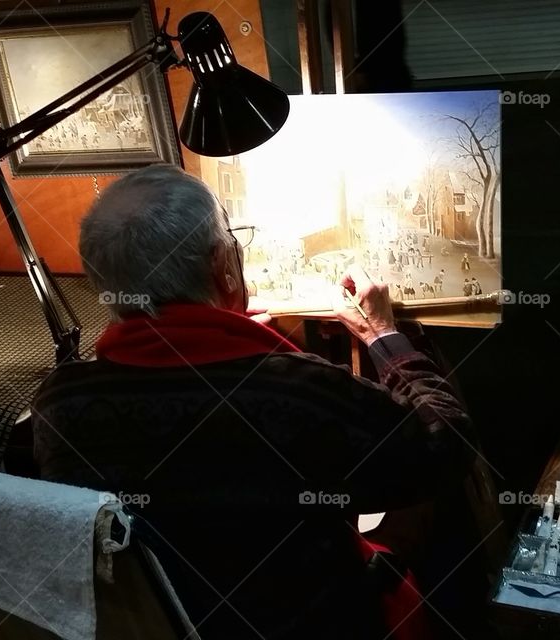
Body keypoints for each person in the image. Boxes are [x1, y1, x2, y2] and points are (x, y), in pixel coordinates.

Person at [32, 165, 475, 640]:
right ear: (223, 264)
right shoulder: (301, 391)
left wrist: (229, 332)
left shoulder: (60, 404)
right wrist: (383, 335)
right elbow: (445, 444)